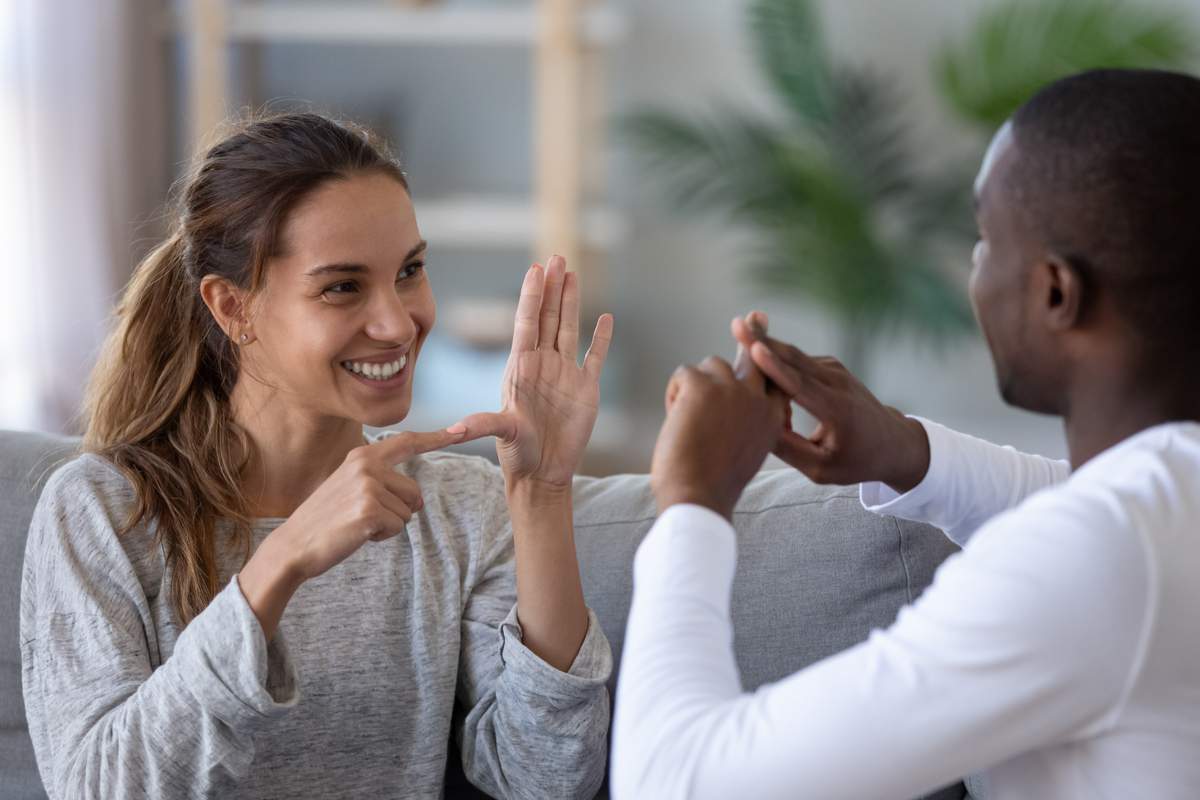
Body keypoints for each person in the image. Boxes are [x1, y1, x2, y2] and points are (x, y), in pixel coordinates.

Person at [611, 68, 1200, 799]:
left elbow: (674, 781)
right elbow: (1086, 500)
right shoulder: (1166, 502)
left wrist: (694, 500)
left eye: (986, 241)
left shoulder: (1097, 556)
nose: (974, 271)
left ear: (1056, 292)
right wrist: (903, 451)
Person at [20, 112, 615, 799]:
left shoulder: (459, 505)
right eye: (342, 286)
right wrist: (282, 562)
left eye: (411, 271)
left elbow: (547, 781)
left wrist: (542, 496)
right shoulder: (101, 511)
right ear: (232, 307)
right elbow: (98, 789)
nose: (398, 323)